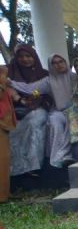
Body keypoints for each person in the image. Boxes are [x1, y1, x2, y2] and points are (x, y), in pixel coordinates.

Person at [7, 44, 49, 176]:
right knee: (13, 129)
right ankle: (14, 168)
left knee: (33, 123)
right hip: (16, 110)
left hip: (39, 108)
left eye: (28, 56)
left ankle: (33, 166)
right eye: (21, 56)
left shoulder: (44, 74)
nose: (25, 59)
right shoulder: (9, 74)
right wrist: (19, 99)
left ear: (34, 57)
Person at [0, 66, 18, 202]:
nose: (7, 79)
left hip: (4, 128)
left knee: (5, 160)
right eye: (5, 76)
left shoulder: (5, 89)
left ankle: (5, 193)